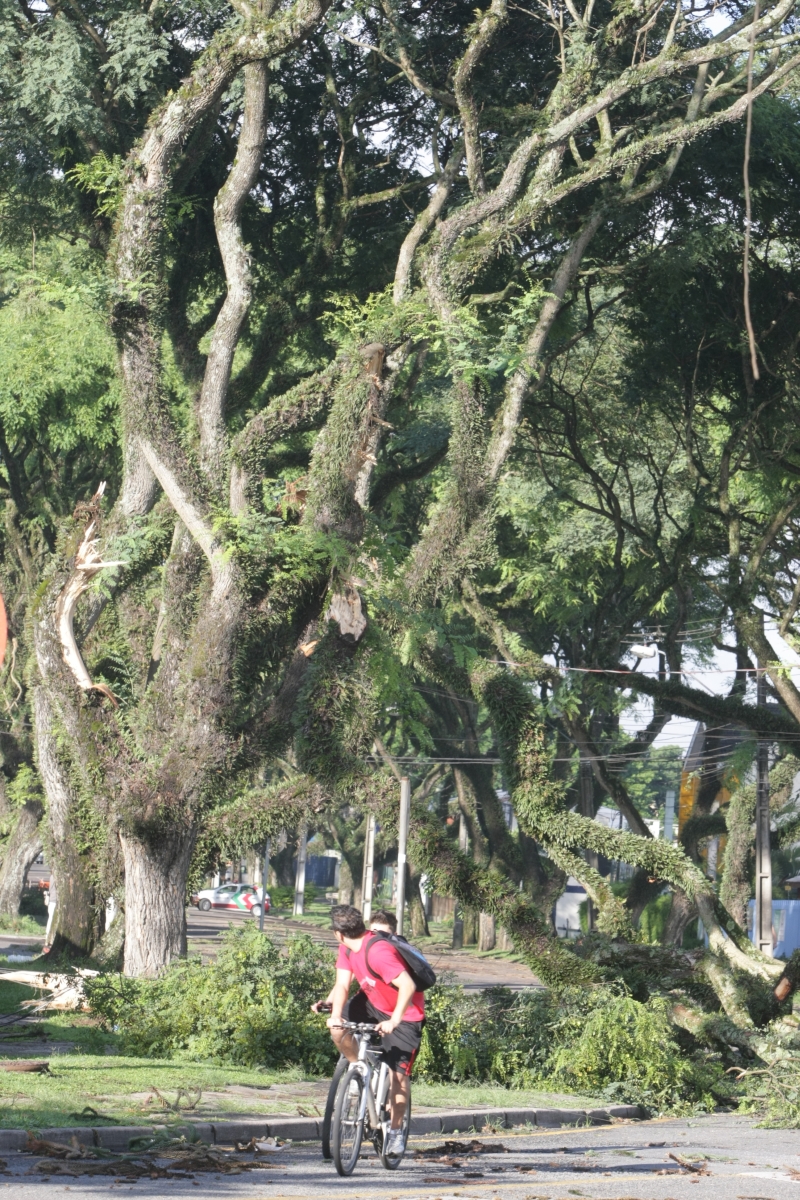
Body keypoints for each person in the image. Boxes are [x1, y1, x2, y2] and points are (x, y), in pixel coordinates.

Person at [312, 904, 424, 1156]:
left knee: (398, 1078)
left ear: (338, 933)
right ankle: (358, 1068)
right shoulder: (346, 948)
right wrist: (335, 1015)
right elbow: (342, 985)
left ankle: (395, 1132)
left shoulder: (378, 952)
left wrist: (394, 1021)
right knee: (339, 1030)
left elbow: (407, 986)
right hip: (372, 1003)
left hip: (405, 1014)